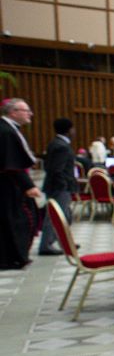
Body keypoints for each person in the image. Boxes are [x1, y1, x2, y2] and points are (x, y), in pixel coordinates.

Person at [0, 98, 41, 270]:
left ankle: (12, 257)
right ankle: (12, 258)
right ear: (13, 112)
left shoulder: (8, 129)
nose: (30, 114)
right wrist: (28, 186)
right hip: (8, 186)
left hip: (8, 184)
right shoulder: (6, 131)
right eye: (26, 110)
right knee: (17, 220)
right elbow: (12, 164)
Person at [38, 117, 78, 255]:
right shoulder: (61, 146)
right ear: (69, 130)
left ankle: (65, 242)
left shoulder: (56, 143)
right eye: (73, 128)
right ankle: (46, 245)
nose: (74, 131)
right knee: (55, 216)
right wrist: (64, 186)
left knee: (66, 216)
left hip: (57, 186)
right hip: (59, 188)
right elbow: (56, 170)